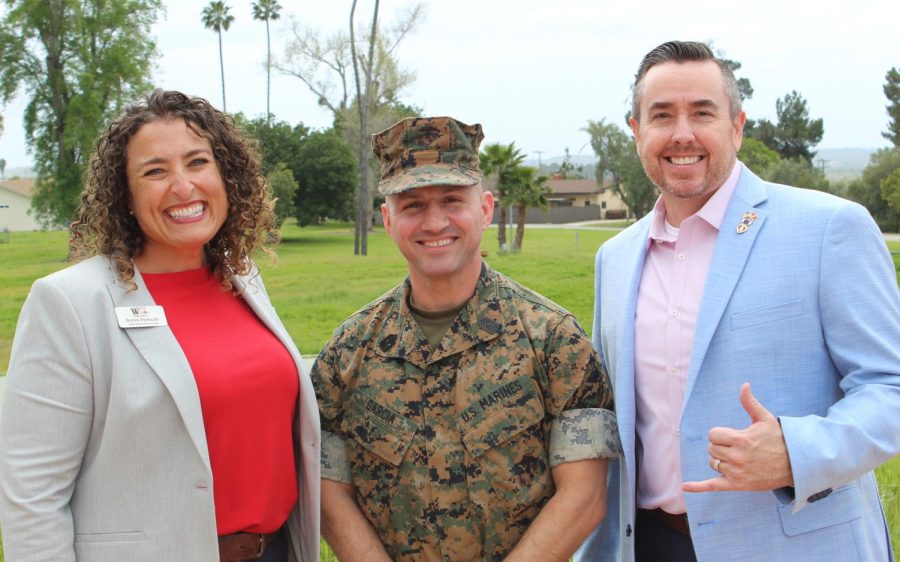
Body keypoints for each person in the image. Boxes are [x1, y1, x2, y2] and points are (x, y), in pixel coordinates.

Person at [575, 41, 900, 562]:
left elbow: (891, 387)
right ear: (636, 131)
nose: (682, 133)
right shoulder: (615, 258)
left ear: (737, 125)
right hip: (650, 545)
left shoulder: (829, 229)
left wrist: (796, 453)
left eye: (702, 112)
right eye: (662, 116)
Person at [0, 90, 320, 562]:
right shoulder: (70, 301)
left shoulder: (242, 277)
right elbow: (31, 493)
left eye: (197, 162)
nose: (183, 186)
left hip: (274, 552)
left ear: (225, 175)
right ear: (124, 195)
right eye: (155, 171)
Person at [311, 116, 621, 561]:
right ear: (387, 218)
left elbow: (584, 498)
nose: (434, 222)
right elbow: (329, 493)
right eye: (412, 205)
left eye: (453, 200)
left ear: (486, 208)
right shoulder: (347, 352)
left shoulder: (554, 340)